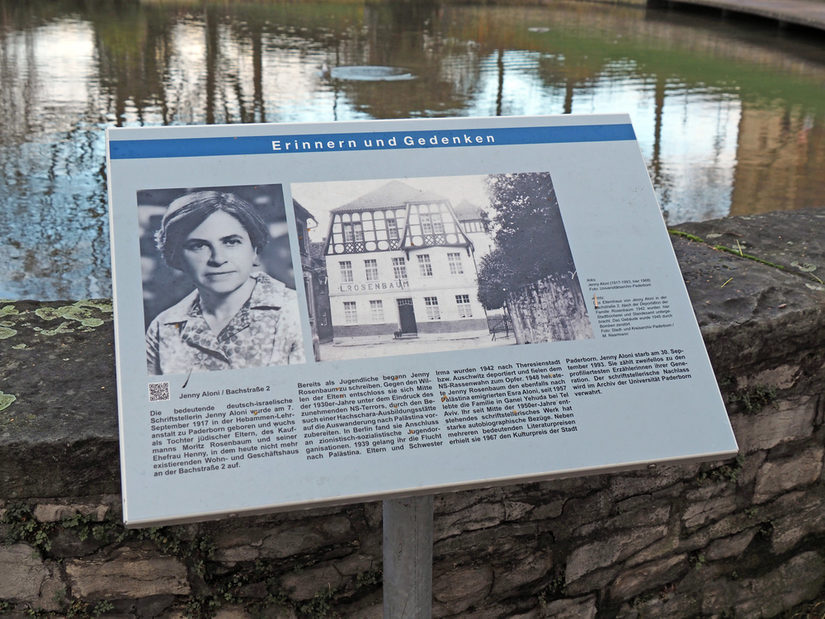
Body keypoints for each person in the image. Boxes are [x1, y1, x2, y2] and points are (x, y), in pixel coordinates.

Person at [146, 190, 305, 375]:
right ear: (176, 257)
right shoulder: (163, 326)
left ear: (254, 250)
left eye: (231, 242)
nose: (218, 258)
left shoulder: (295, 312)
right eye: (198, 245)